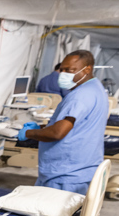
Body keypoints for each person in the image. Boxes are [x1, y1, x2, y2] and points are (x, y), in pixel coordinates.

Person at [17, 50, 108, 195]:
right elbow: (75, 124)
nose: (63, 74)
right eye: (63, 69)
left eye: (70, 70)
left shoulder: (79, 96)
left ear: (88, 69)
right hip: (83, 168)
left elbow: (58, 132)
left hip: (65, 174)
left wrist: (29, 133)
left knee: (50, 215)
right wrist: (41, 128)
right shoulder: (95, 88)